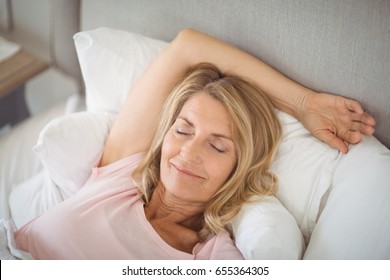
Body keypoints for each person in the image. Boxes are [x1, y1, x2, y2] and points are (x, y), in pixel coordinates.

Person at [14, 29, 375, 259]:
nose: (188, 152)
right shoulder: (119, 174)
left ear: (239, 170)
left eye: (218, 146)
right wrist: (302, 103)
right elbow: (187, 46)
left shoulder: (212, 257)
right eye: (183, 131)